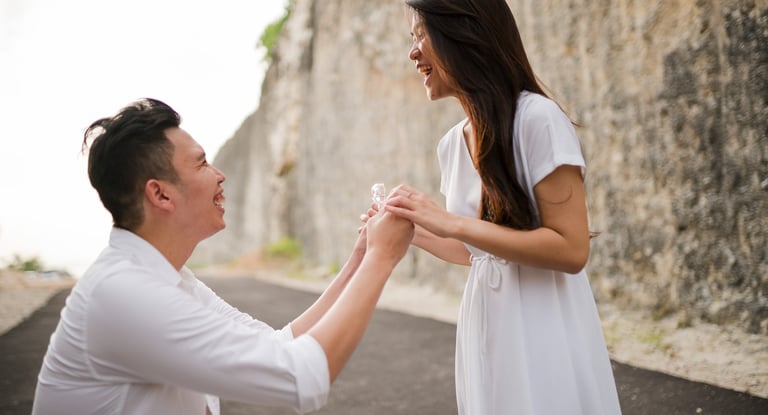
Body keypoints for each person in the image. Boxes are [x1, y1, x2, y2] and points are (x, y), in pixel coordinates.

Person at [32, 98, 414, 415]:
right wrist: (382, 258)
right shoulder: (122, 293)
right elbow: (302, 376)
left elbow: (280, 344)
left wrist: (362, 257)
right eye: (201, 163)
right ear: (160, 194)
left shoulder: (169, 279)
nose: (220, 175)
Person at [369, 1, 623, 414]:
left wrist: (450, 222)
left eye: (420, 34)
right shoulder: (450, 145)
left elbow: (572, 250)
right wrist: (411, 228)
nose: (412, 52)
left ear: (464, 33)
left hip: (545, 323)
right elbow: (480, 253)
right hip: (486, 325)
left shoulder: (538, 119)